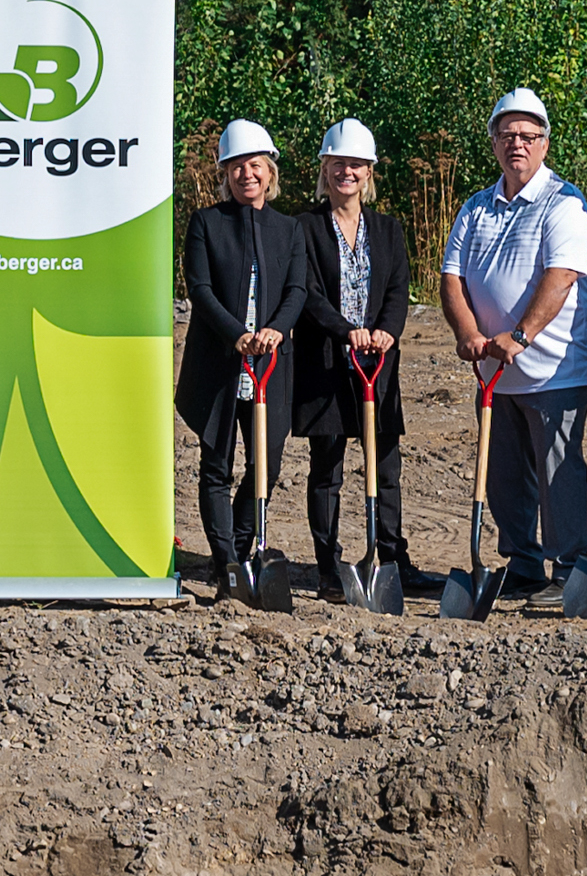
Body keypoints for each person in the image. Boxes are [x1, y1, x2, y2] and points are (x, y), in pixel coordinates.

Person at [440, 88, 587, 609]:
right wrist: (469, 333)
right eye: (508, 135)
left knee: (558, 471)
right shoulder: (476, 206)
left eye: (529, 136)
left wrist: (520, 335)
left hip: (556, 366)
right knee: (505, 472)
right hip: (494, 369)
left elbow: (559, 279)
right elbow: (452, 278)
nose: (518, 145)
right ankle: (523, 562)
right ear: (493, 142)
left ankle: (569, 566)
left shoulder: (564, 202)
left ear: (545, 142)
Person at [292, 118, 444, 600]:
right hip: (325, 362)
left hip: (377, 364)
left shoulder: (387, 229)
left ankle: (393, 558)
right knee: (328, 466)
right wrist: (346, 331)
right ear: (325, 168)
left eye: (355, 164)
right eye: (338, 163)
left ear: (369, 171)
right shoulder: (306, 227)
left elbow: (398, 288)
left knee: (386, 464)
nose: (346, 172)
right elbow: (309, 294)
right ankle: (328, 564)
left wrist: (386, 332)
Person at [175, 119, 310, 595]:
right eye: (236, 167)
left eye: (255, 165)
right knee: (216, 464)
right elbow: (201, 289)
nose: (246, 174)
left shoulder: (289, 229)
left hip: (271, 363)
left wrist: (275, 330)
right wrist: (237, 334)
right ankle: (226, 561)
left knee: (266, 463)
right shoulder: (207, 224)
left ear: (270, 172)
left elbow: (298, 289)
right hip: (220, 363)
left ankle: (242, 542)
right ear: (225, 174)